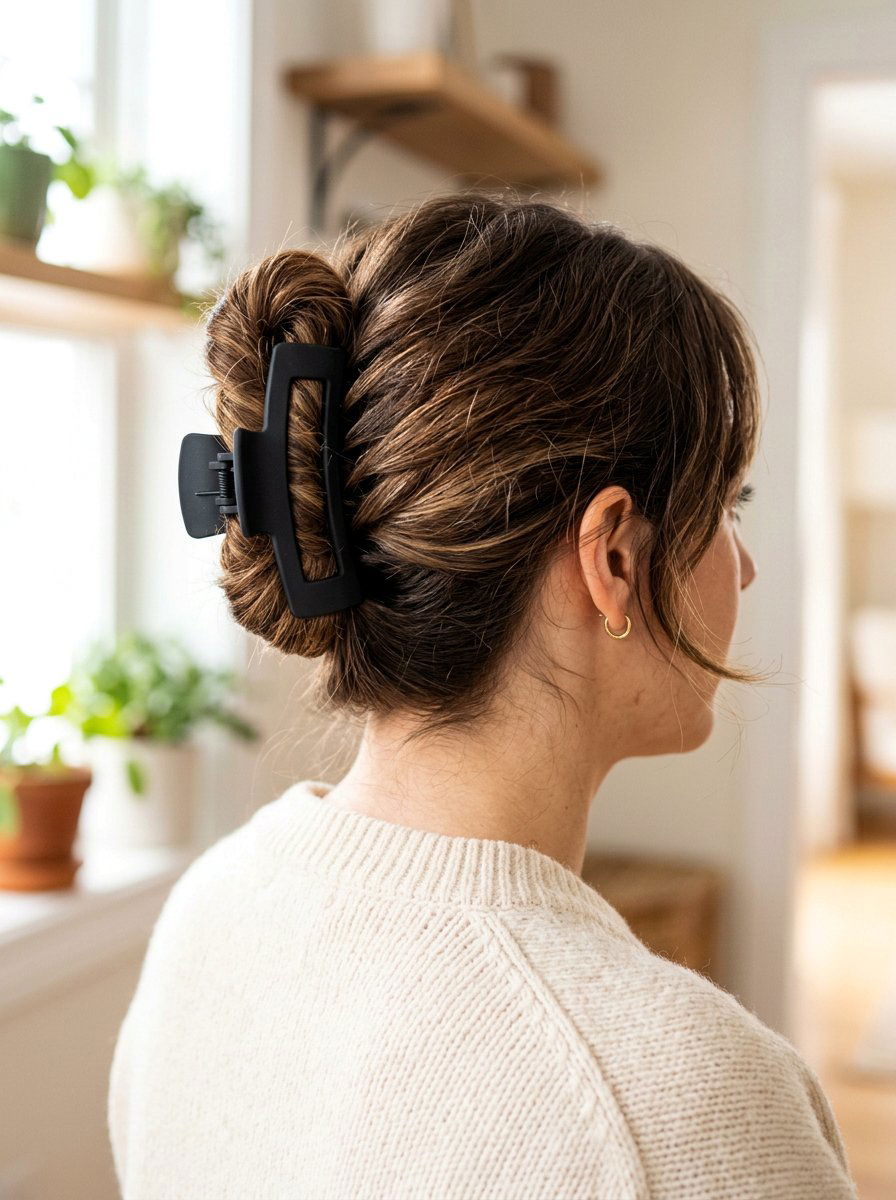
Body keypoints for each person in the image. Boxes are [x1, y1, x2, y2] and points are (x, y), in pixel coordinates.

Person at [108, 193, 857, 1199]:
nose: (745, 567)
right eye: (724, 506)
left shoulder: (211, 911)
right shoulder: (683, 1107)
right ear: (612, 560)